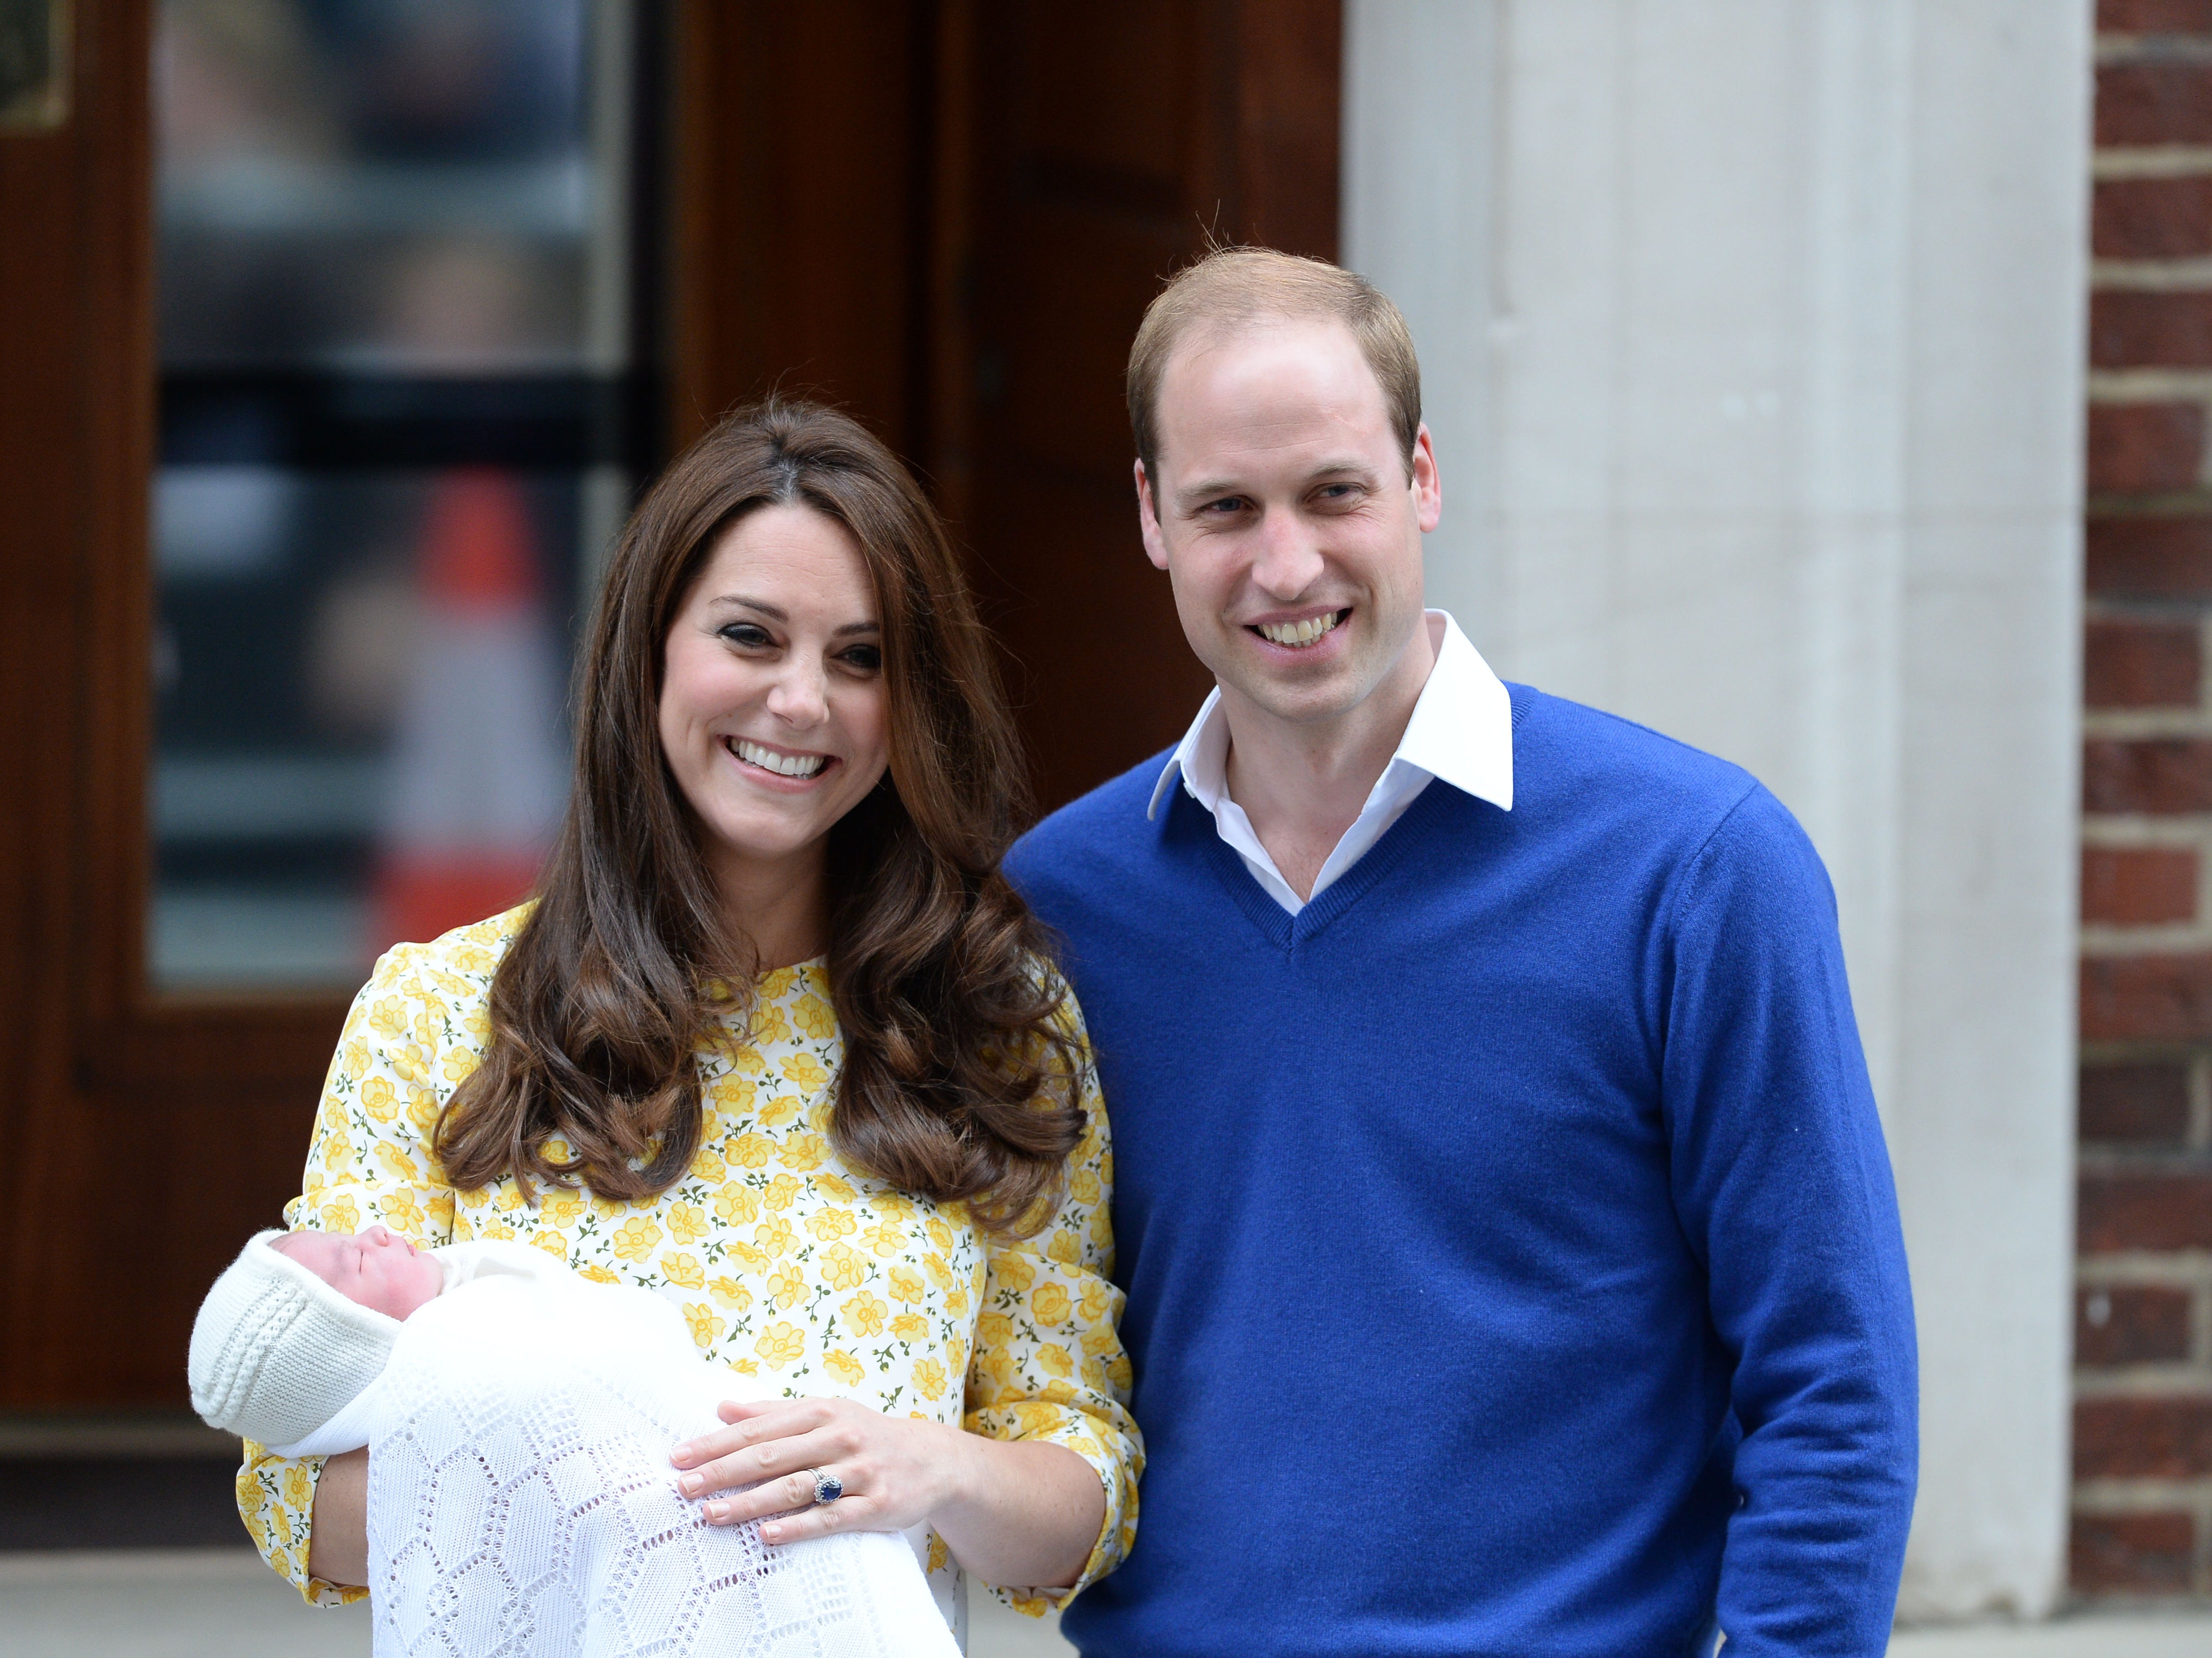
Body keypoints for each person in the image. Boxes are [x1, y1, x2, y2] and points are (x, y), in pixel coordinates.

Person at [1004, 248, 1917, 1657]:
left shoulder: (1697, 868)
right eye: (1226, 508)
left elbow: (1832, 1382)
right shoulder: (1064, 905)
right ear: (1151, 518)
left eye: (1335, 493)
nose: (1286, 564)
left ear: (1421, 476)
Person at [236, 399, 1140, 1642]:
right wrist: (608, 1469)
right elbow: (294, 1499)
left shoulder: (994, 1023)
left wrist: (931, 1467)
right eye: (751, 637)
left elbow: (1081, 1493)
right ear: (650, 648)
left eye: (861, 657)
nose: (801, 701)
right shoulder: (437, 1010)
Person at [193, 1226, 955, 1656]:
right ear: (352, 1346)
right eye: (355, 1263)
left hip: (791, 1495)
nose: (377, 1233)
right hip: (735, 1514)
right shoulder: (469, 1355)